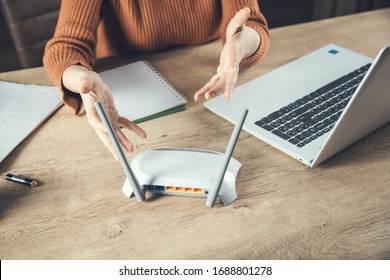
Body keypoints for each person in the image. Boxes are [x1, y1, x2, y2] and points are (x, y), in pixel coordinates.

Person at [43, 0, 270, 159]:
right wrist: (82, 78)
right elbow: (66, 46)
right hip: (134, 101)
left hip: (208, 83)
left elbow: (252, 26)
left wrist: (240, 43)